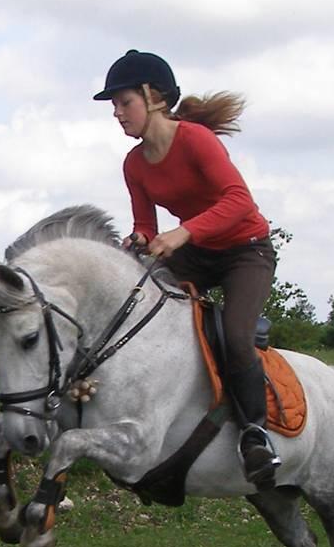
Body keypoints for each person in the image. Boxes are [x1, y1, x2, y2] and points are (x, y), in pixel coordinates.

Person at [94, 49, 281, 490]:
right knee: (137, 310)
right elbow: (145, 225)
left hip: (245, 251)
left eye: (124, 103)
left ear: (153, 97)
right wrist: (139, 239)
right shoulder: (133, 164)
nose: (117, 114)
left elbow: (239, 202)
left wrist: (184, 234)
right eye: (115, 107)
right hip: (195, 252)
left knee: (236, 338)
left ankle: (257, 436)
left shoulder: (196, 139)